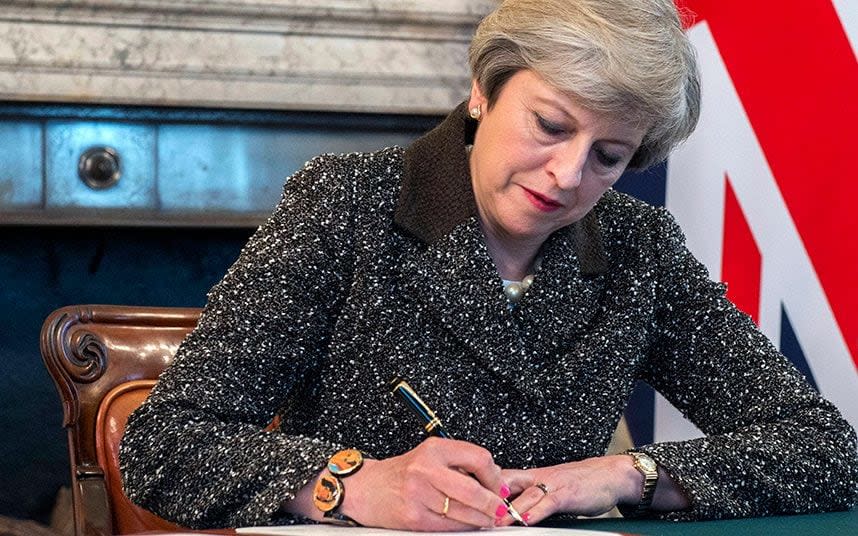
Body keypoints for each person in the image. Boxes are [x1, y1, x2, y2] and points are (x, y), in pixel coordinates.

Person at [119, 0, 858, 531]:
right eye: (551, 125)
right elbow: (167, 444)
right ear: (483, 90)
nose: (569, 175)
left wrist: (624, 475)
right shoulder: (345, 202)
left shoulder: (639, 247)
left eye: (609, 156)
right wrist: (352, 483)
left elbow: (824, 451)